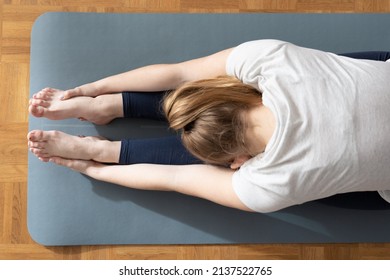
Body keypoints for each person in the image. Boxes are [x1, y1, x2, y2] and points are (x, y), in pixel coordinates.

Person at [28, 39, 390, 213]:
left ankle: (107, 107)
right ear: (237, 161)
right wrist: (94, 168)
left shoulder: (267, 59)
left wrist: (94, 87)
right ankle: (103, 145)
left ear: (238, 159)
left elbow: (181, 73)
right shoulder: (267, 185)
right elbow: (175, 179)